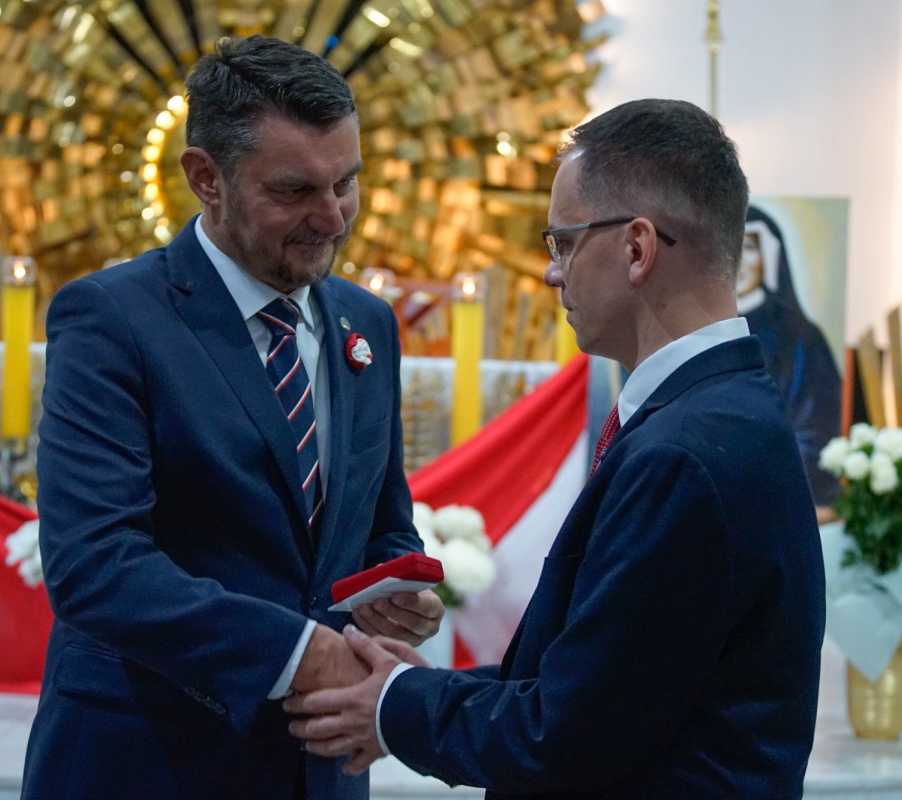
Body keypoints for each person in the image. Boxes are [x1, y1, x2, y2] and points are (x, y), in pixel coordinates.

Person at [287, 99, 827, 798]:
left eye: (564, 242)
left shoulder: (685, 455)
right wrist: (421, 691)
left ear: (637, 249)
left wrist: (397, 706)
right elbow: (613, 687)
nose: (552, 272)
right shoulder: (718, 414)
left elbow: (567, 737)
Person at [20, 36, 443, 800]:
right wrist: (300, 653)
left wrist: (392, 588)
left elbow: (380, 522)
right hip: (152, 760)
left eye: (347, 182)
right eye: (294, 190)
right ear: (205, 177)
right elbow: (95, 566)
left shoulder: (368, 323)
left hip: (321, 766)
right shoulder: (113, 319)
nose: (332, 218)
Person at [738, 204, 843, 509]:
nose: (738, 261)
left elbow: (817, 434)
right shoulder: (700, 334)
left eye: (748, 248)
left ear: (769, 257)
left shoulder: (800, 338)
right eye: (730, 249)